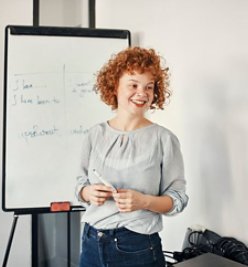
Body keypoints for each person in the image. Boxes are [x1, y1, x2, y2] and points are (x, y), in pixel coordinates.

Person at [75, 46, 188, 267]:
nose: (142, 93)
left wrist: (144, 201)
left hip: (137, 247)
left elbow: (178, 199)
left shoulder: (164, 139)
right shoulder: (94, 135)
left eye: (149, 87)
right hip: (90, 243)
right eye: (133, 85)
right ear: (114, 86)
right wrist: (87, 192)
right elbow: (80, 185)